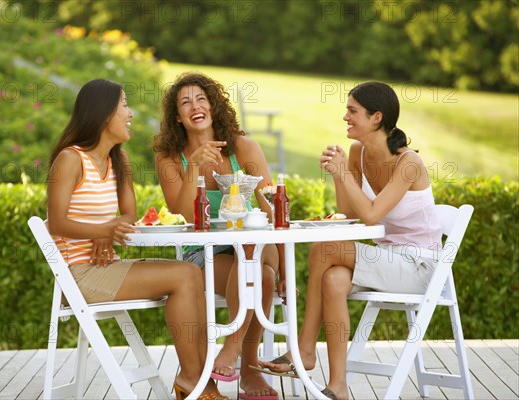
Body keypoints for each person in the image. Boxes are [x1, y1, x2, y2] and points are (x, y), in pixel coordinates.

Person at [257, 82, 442, 400]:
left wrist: (343, 173)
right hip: (386, 258)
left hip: (420, 265)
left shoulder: (408, 163)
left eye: (352, 111)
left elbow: (371, 216)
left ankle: (304, 350)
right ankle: (338, 386)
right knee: (333, 278)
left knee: (325, 249)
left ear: (376, 117)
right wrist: (339, 172)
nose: (345, 117)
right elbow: (349, 211)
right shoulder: (359, 152)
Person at [47, 79, 226, 400]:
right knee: (186, 274)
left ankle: (198, 382)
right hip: (79, 276)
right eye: (124, 106)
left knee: (191, 275)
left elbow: (129, 215)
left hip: (107, 266)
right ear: (103, 116)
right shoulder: (70, 159)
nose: (130, 114)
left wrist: (112, 227)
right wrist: (103, 230)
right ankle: (193, 380)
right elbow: (56, 222)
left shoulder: (119, 160)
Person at [154, 72, 283, 399]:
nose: (194, 106)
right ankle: (249, 371)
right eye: (185, 103)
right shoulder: (170, 157)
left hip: (250, 247)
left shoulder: (243, 146)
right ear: (178, 117)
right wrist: (194, 168)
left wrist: (284, 271)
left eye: (201, 98)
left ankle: (232, 350)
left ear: (213, 104)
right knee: (261, 275)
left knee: (261, 256)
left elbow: (271, 212)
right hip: (202, 254)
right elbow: (185, 212)